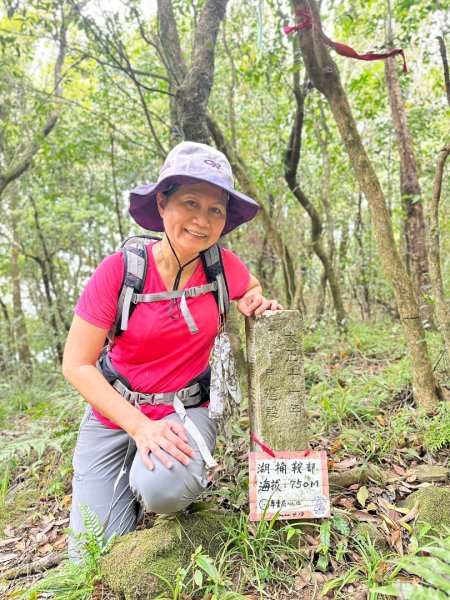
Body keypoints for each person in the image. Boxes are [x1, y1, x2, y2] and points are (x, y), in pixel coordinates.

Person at [62, 141, 282, 547]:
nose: (202, 219)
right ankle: (125, 476)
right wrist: (140, 426)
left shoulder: (222, 268)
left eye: (216, 209)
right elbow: (76, 364)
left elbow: (250, 286)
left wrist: (254, 299)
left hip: (185, 407)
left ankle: (145, 481)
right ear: (162, 204)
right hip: (116, 412)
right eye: (190, 202)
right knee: (90, 552)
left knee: (163, 490)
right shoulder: (120, 271)